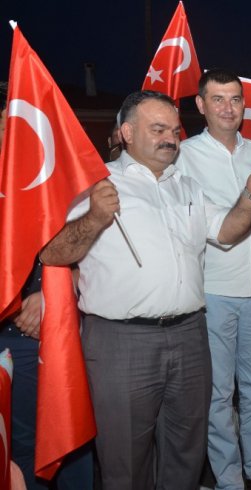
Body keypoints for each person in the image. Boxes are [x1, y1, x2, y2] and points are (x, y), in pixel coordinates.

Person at [40, 90, 251, 490]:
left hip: (190, 335)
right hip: (121, 342)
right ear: (126, 132)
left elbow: (226, 230)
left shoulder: (185, 185)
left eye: (174, 129)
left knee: (186, 451)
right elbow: (53, 252)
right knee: (126, 460)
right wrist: (96, 218)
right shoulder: (95, 182)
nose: (170, 138)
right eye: (157, 129)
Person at [176, 69, 251, 488]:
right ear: (201, 105)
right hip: (214, 291)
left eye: (235, 99)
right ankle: (228, 477)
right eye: (218, 99)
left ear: (244, 105)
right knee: (219, 393)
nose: (228, 107)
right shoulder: (184, 156)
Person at [0, 82, 93, 490]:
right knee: (20, 445)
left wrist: (61, 288)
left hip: (60, 329)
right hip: (9, 332)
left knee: (71, 436)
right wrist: (17, 303)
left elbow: (96, 258)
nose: (10, 132)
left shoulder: (57, 183)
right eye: (4, 124)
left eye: (17, 123)